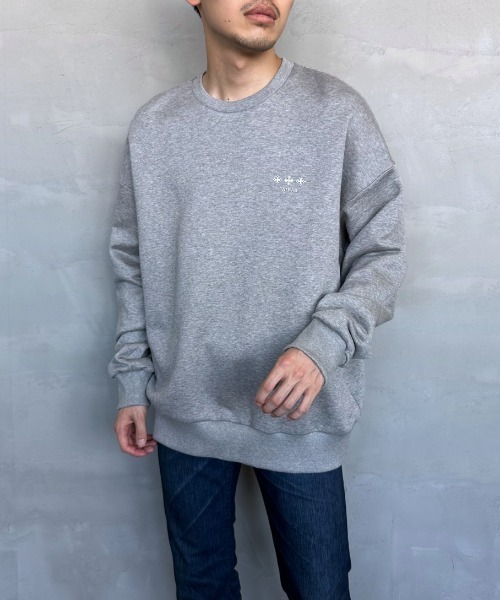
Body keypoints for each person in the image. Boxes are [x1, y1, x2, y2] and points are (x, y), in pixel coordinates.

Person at [107, 1, 406, 598]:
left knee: (320, 590)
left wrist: (322, 346)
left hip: (303, 417)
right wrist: (131, 379)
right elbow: (132, 262)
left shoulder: (335, 111)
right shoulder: (155, 127)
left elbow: (382, 251)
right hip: (185, 410)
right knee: (202, 587)